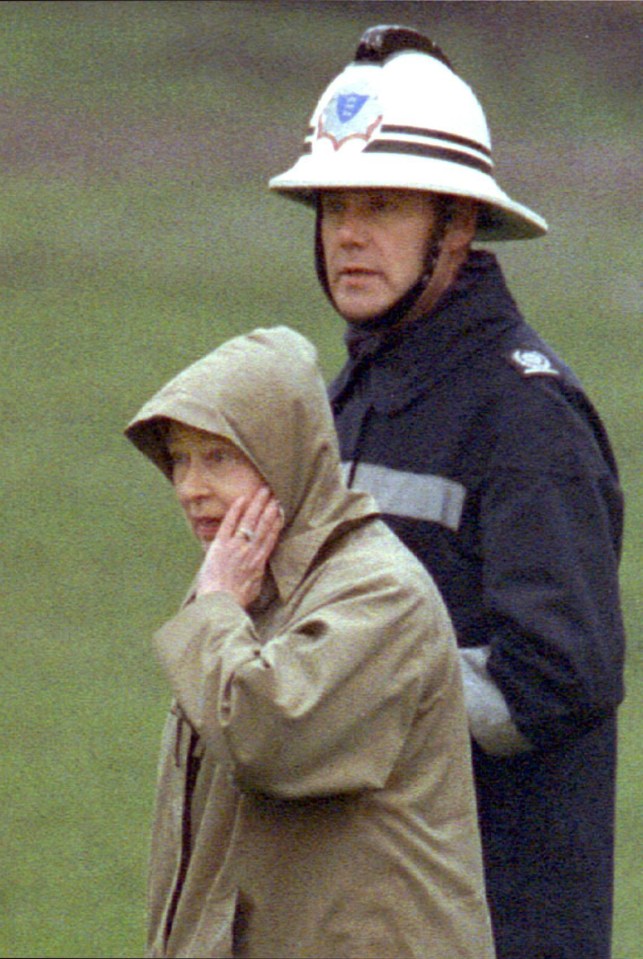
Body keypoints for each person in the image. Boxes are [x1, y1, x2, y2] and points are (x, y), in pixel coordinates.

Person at [269, 24, 626, 959]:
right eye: (333, 204)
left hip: (495, 924)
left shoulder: (525, 418)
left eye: (383, 205)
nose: (348, 233)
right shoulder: (345, 400)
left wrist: (346, 709)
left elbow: (561, 676)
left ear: (458, 225)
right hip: (363, 914)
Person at [124, 325, 496, 959]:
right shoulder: (250, 587)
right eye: (179, 459)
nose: (189, 487)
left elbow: (269, 738)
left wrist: (213, 609)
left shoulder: (379, 594)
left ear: (286, 453)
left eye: (218, 457)